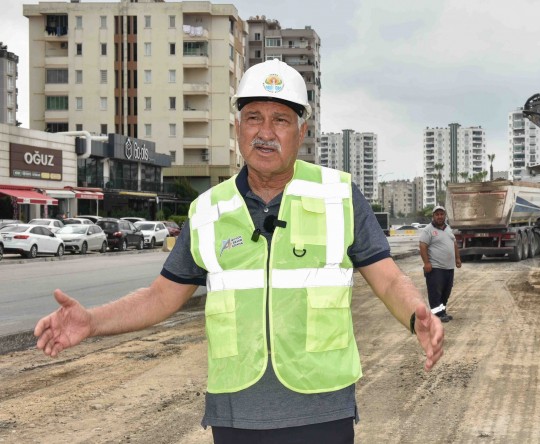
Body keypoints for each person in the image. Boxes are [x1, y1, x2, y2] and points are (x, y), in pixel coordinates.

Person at [34, 59, 444, 444]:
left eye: (280, 120)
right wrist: (91, 321)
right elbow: (161, 296)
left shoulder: (339, 195)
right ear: (237, 128)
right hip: (237, 411)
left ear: (302, 133)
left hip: (323, 406)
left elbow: (387, 276)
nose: (265, 132)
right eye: (253, 118)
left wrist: (415, 315)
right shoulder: (209, 209)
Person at [419, 205, 461, 323]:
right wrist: (426, 262)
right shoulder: (428, 230)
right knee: (435, 292)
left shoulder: (448, 229)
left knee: (446, 292)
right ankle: (437, 314)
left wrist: (457, 259)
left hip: (448, 267)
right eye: (437, 214)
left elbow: (454, 244)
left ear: (444, 216)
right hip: (435, 268)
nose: (439, 216)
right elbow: (422, 246)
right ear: (433, 216)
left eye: (441, 214)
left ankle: (442, 312)